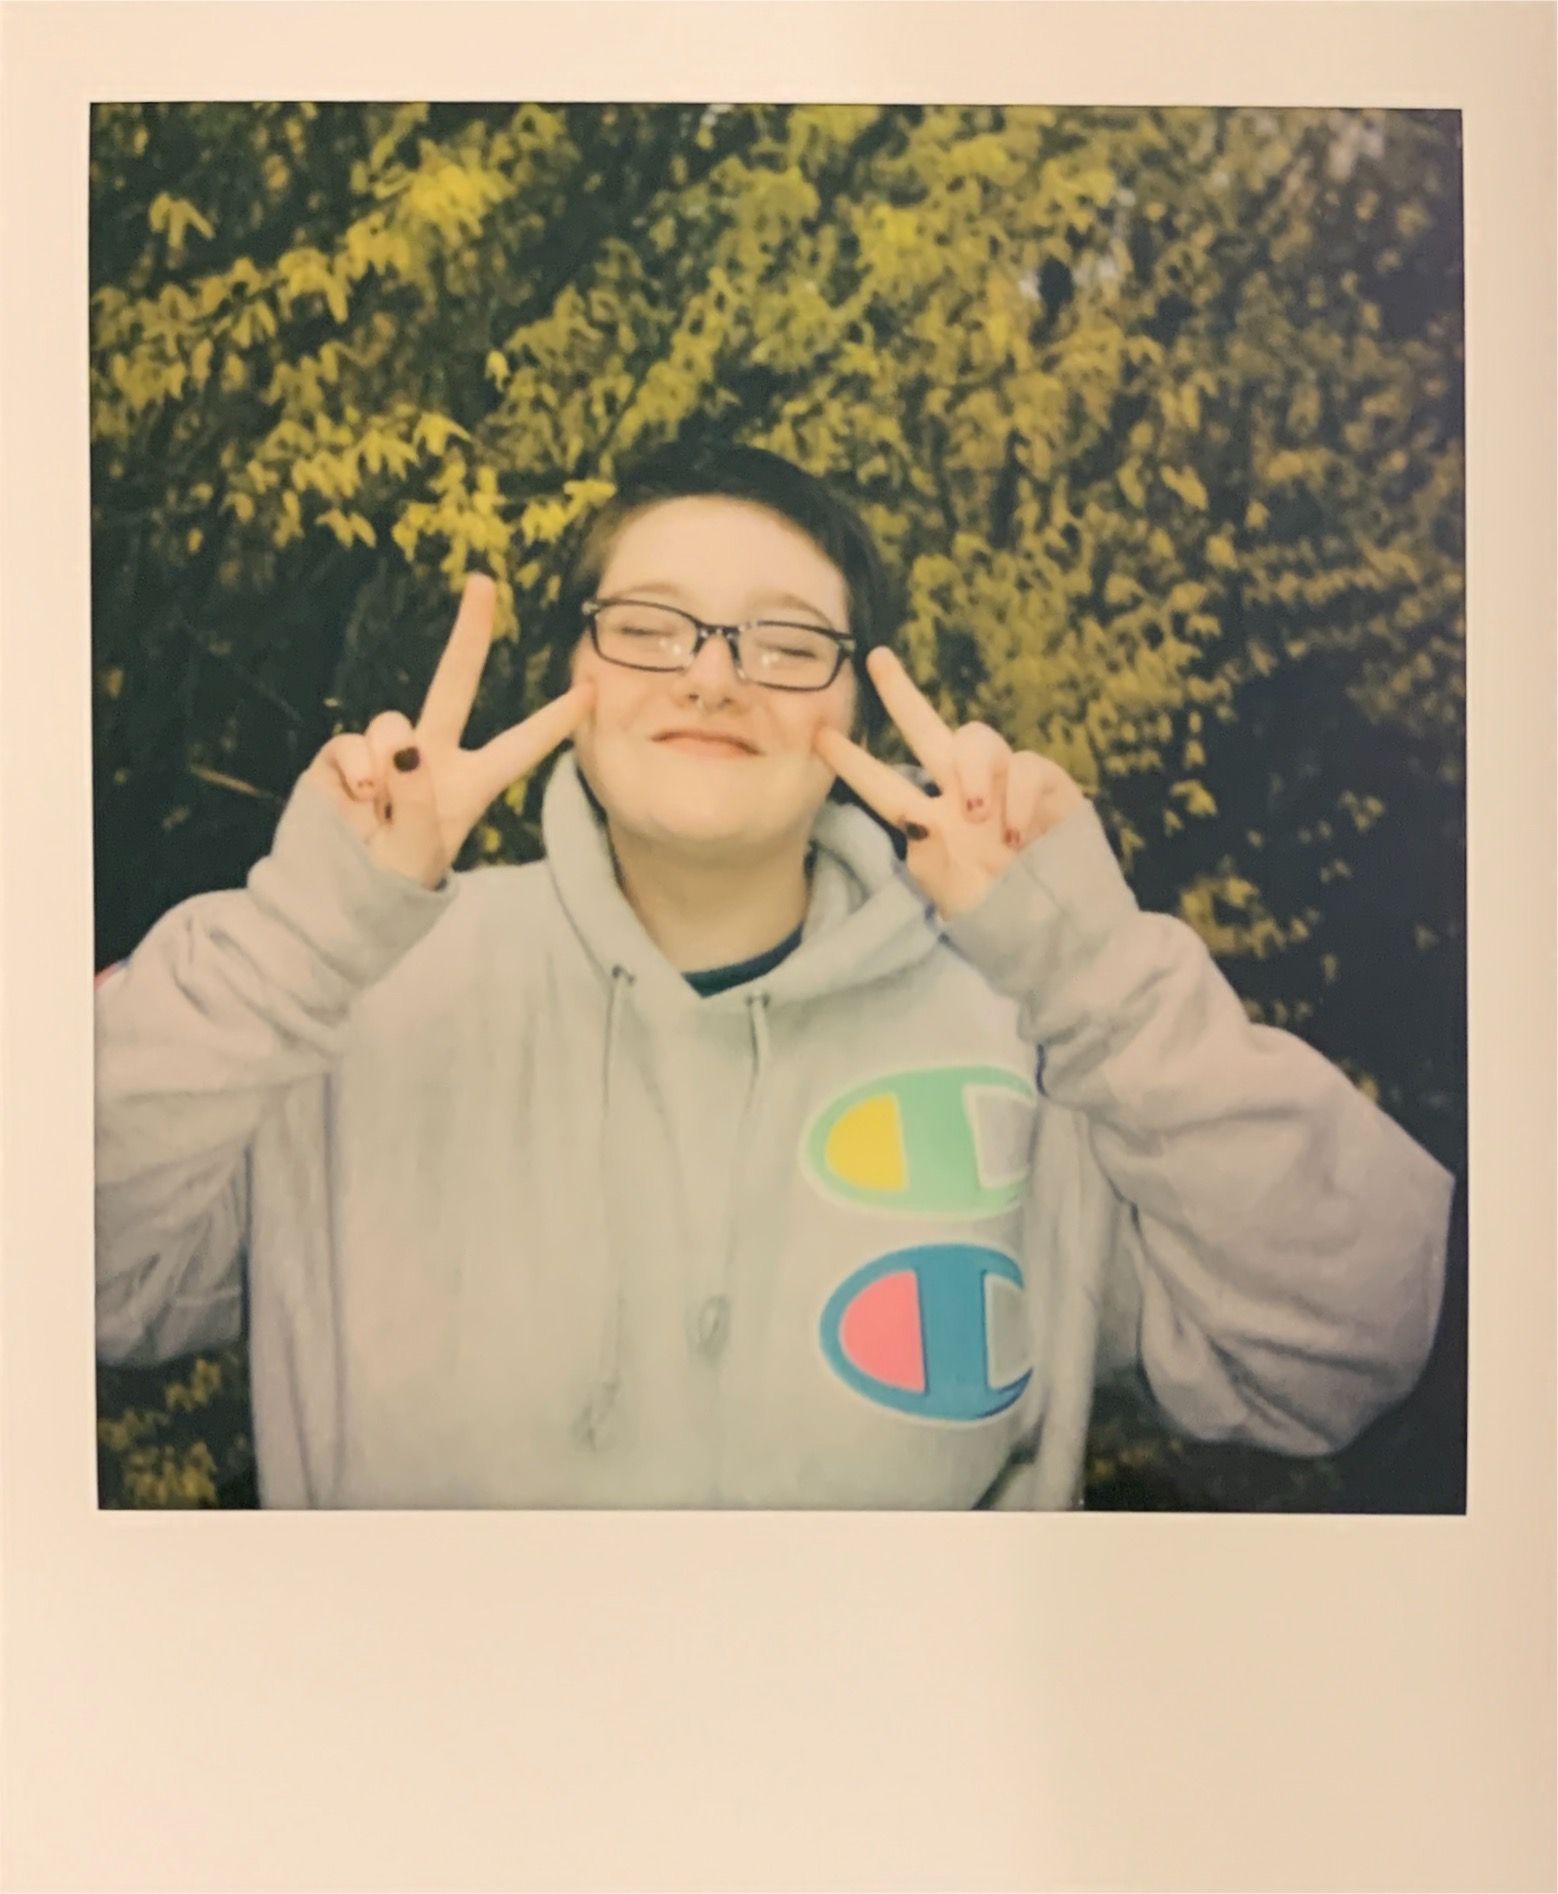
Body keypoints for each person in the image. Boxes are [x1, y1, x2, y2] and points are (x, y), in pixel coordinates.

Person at [94, 442, 1456, 1509]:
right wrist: (300, 934)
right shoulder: (348, 1010)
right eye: (652, 624)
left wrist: (1093, 968)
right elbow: (61, 1265)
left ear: (852, 708)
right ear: (572, 668)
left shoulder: (1037, 1037)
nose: (714, 675)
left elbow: (1346, 1344)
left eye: (785, 640)